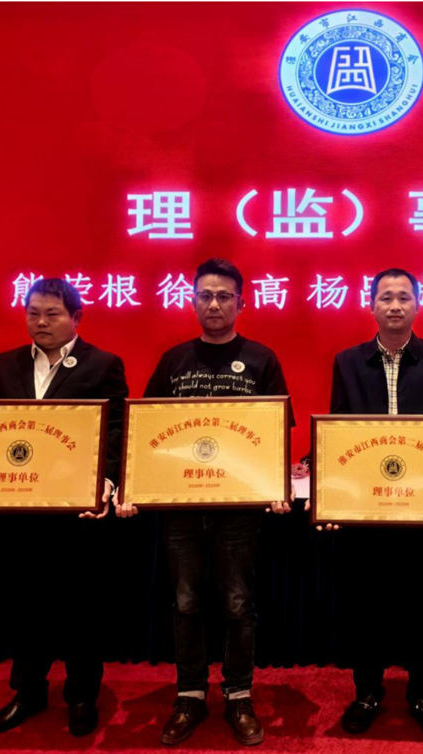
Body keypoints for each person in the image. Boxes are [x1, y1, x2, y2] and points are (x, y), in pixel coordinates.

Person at [117, 258, 292, 747]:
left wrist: (277, 486)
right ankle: (190, 694)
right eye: (205, 295)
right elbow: (147, 432)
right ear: (192, 301)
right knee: (186, 602)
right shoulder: (174, 360)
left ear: (241, 303)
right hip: (182, 508)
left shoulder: (261, 359)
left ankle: (239, 694)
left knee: (237, 603)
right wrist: (135, 486)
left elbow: (277, 432)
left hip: (239, 510)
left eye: (224, 296)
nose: (214, 304)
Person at [0, 277, 128, 737]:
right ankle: (28, 690)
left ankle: (82, 694)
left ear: (76, 318)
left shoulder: (103, 364)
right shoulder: (7, 364)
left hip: (77, 510)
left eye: (52, 314)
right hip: (20, 508)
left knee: (81, 606)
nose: (41, 322)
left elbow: (116, 431)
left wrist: (105, 484)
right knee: (24, 603)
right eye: (33, 313)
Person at [326, 268, 423, 742]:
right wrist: (335, 502)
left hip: (422, 506)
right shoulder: (348, 361)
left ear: (418, 305)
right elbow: (338, 431)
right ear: (372, 307)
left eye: (404, 296)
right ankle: (367, 692)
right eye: (386, 297)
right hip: (367, 507)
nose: (395, 305)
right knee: (366, 604)